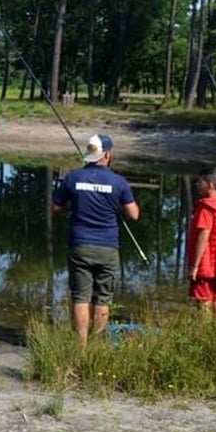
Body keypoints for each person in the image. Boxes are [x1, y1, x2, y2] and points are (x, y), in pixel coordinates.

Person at [52, 133, 140, 342]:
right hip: (108, 247)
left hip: (80, 244)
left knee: (80, 297)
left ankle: (81, 346)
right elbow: (134, 214)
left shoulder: (72, 177)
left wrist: (74, 203)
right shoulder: (119, 182)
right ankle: (97, 342)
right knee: (103, 298)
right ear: (107, 155)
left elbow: (55, 207)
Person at [187, 167, 216, 317]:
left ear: (210, 185)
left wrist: (194, 267)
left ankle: (203, 335)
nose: (197, 184)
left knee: (203, 302)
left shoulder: (206, 207)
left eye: (200, 181)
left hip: (206, 266)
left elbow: (203, 237)